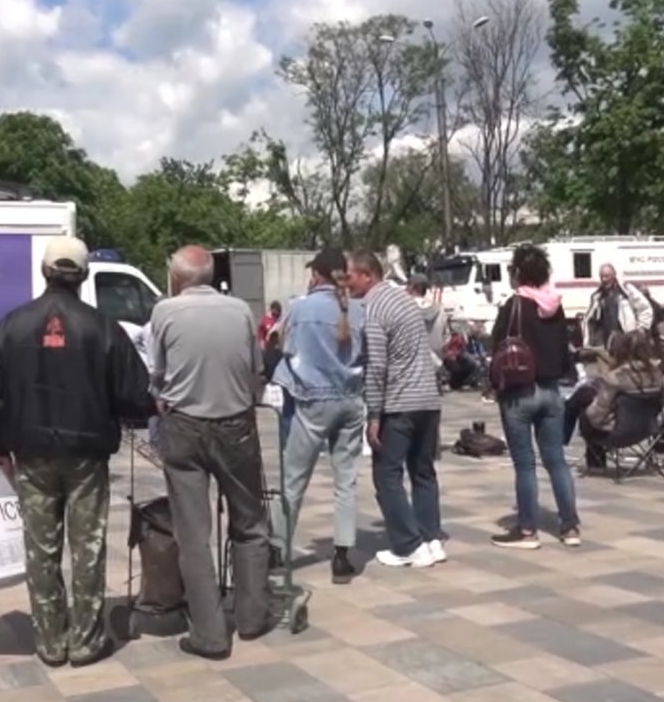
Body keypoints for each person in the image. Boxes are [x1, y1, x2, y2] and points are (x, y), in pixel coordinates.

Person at [0, 236, 155, 668]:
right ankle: (87, 641)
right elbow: (134, 394)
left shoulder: (10, 326)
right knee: (87, 548)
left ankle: (50, 641)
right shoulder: (102, 328)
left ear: (44, 272)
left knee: (41, 548)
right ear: (84, 275)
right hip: (87, 457)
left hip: (31, 456)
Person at [151, 245, 273, 660]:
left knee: (193, 533)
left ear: (178, 277)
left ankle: (210, 633)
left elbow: (158, 374)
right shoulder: (240, 310)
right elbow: (256, 369)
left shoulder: (164, 312)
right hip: (236, 423)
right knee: (250, 520)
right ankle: (253, 616)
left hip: (185, 425)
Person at [269, 248, 365, 584]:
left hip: (313, 400)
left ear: (319, 275)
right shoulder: (357, 309)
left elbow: (285, 346)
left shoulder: (300, 307)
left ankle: (278, 548)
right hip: (351, 400)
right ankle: (342, 555)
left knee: (293, 480)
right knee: (345, 480)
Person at [346, 250, 444, 569]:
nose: (347, 284)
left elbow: (377, 365)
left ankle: (407, 544)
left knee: (387, 473)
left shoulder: (375, 308)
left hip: (400, 402)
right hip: (427, 399)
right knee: (423, 470)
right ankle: (431, 538)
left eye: (350, 277)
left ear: (368, 276)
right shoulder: (403, 299)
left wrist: (374, 414)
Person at [488, 246, 580, 550]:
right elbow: (564, 350)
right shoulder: (555, 306)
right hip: (553, 391)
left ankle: (527, 529)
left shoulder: (514, 305)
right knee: (556, 461)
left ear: (518, 273)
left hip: (519, 392)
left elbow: (496, 345)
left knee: (525, 464)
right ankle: (569, 526)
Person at [565, 331, 663, 470]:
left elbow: (597, 414)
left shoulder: (615, 378)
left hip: (619, 433)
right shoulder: (657, 374)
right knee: (586, 394)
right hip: (648, 429)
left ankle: (595, 462)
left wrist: (587, 409)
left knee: (585, 409)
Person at [583, 264, 653, 349]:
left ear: (614, 276)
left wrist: (642, 328)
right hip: (607, 341)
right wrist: (588, 342)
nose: (604, 280)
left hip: (627, 339)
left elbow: (645, 308)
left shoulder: (627, 290)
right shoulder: (597, 296)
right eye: (602, 277)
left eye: (607, 276)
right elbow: (589, 320)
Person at [407, 273, 448, 367]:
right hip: (436, 365)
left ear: (411, 287)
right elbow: (446, 339)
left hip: (413, 367)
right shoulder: (440, 310)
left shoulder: (405, 309)